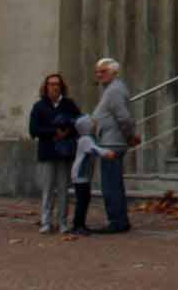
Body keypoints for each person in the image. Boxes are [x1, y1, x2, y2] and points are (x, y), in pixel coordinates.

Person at [77, 56, 139, 235]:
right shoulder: (111, 89)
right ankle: (119, 219)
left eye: (103, 71)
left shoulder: (114, 91)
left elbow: (124, 117)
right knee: (112, 183)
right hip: (110, 140)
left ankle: (117, 221)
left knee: (110, 185)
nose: (99, 75)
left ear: (114, 72)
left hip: (113, 142)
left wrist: (129, 137)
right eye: (97, 72)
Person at [27, 73, 82, 234]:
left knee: (64, 189)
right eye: (51, 84)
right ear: (45, 87)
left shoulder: (69, 104)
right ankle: (46, 222)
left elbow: (79, 122)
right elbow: (33, 129)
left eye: (57, 84)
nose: (54, 87)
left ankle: (63, 222)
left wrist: (67, 131)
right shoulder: (39, 106)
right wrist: (53, 132)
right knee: (48, 188)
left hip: (65, 153)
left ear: (62, 87)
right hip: (47, 152)